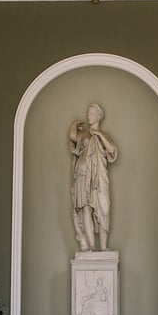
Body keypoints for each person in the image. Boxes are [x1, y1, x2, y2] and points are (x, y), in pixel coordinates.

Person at [69, 103, 118, 251]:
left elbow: (112, 150)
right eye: (88, 113)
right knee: (86, 208)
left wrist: (99, 134)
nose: (88, 115)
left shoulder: (105, 136)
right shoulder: (83, 134)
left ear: (98, 116)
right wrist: (74, 124)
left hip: (99, 176)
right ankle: (91, 246)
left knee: (104, 209)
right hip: (83, 174)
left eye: (92, 113)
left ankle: (103, 247)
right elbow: (72, 137)